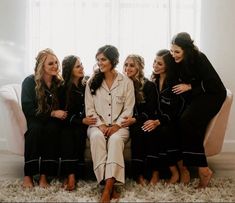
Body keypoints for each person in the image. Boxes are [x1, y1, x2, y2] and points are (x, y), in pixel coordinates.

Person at [170, 32, 226, 188]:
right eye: (172, 51)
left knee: (187, 121)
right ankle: (192, 167)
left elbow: (214, 84)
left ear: (187, 50)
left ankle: (204, 170)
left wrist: (189, 87)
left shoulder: (200, 58)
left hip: (212, 95)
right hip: (197, 95)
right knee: (183, 121)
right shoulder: (178, 60)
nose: (174, 55)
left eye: (177, 52)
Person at [122, 53, 184, 185]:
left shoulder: (148, 85)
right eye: (126, 65)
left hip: (146, 119)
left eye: (132, 65)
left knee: (149, 130)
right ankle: (138, 175)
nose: (128, 68)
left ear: (139, 67)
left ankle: (155, 172)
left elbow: (151, 110)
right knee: (137, 132)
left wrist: (137, 119)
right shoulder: (121, 83)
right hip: (128, 121)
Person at [85, 45, 135, 202]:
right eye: (98, 60)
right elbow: (89, 109)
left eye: (103, 59)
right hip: (96, 125)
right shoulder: (92, 82)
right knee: (96, 138)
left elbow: (128, 109)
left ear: (113, 60)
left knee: (114, 140)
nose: (100, 63)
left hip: (120, 126)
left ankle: (108, 188)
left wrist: (117, 126)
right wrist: (100, 125)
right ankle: (107, 184)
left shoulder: (126, 82)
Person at [21, 48, 68, 188]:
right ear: (42, 66)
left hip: (52, 122)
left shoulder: (59, 84)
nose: (55, 66)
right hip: (35, 118)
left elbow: (65, 104)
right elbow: (28, 108)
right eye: (50, 64)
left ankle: (44, 175)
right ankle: (28, 175)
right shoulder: (29, 82)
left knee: (52, 130)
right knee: (34, 130)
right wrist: (53, 113)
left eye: (56, 63)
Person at [59, 55, 96, 191]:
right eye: (78, 66)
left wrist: (84, 120)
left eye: (81, 65)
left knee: (80, 132)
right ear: (69, 69)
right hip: (68, 122)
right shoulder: (62, 87)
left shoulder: (86, 85)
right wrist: (81, 120)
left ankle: (77, 173)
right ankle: (70, 175)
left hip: (82, 123)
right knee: (68, 133)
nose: (82, 68)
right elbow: (64, 113)